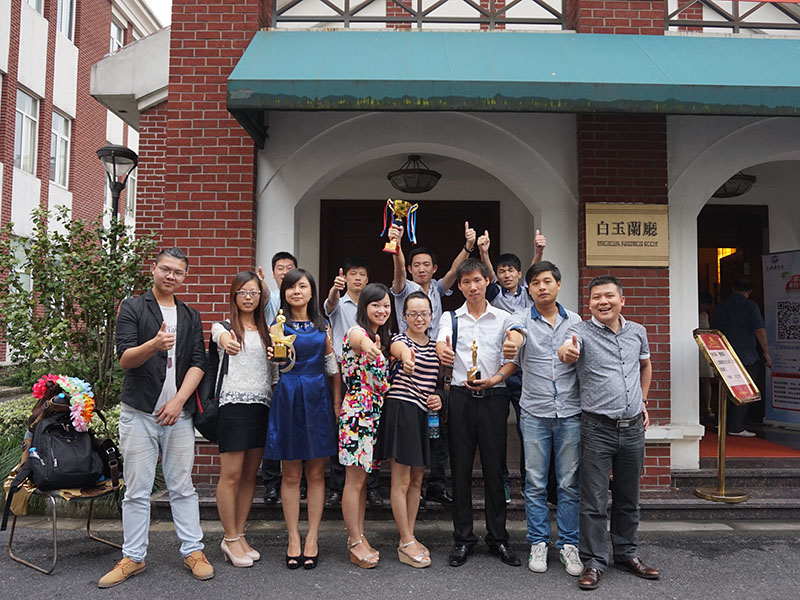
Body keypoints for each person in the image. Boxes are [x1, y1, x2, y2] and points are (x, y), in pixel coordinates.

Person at [99, 248, 213, 588]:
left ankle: (193, 551)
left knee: (182, 486)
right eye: (165, 269)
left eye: (178, 272)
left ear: (184, 277)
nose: (170, 276)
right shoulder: (133, 307)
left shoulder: (190, 315)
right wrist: (154, 345)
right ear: (154, 269)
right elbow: (125, 359)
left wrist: (178, 402)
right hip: (139, 414)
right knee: (136, 490)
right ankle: (133, 557)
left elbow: (198, 362)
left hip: (178, 416)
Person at [558, 275, 659, 591]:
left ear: (621, 300)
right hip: (597, 428)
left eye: (609, 296)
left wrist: (643, 401)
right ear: (589, 304)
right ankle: (594, 562)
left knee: (629, 497)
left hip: (633, 429)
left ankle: (627, 554)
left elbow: (646, 365)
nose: (603, 302)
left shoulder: (637, 332)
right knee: (594, 500)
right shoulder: (580, 331)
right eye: (596, 298)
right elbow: (566, 350)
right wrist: (567, 352)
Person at [436, 258, 521, 568]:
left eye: (477, 280)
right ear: (459, 286)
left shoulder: (504, 318)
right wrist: (442, 352)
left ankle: (498, 538)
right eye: (466, 282)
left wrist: (497, 378)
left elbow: (513, 359)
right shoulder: (450, 318)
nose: (472, 286)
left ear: (487, 281)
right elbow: (440, 344)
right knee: (459, 470)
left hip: (494, 398)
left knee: (494, 469)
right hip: (460, 398)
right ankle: (463, 539)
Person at [502, 261, 583, 577]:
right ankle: (538, 542)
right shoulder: (520, 317)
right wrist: (513, 343)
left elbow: (573, 348)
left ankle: (568, 544)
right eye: (535, 283)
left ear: (558, 285)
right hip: (534, 413)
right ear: (529, 288)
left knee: (568, 483)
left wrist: (569, 352)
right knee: (534, 482)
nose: (542, 287)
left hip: (570, 413)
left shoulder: (574, 321)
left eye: (547, 281)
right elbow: (516, 335)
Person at [388, 221, 474, 507]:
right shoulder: (404, 289)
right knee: (414, 427)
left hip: (438, 360)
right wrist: (397, 247)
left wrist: (468, 248)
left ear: (433, 268)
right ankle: (413, 488)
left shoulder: (437, 288)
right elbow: (398, 272)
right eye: (416, 265)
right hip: (412, 360)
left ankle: (435, 484)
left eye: (426, 264)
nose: (421, 269)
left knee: (438, 424)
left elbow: (454, 272)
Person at [263, 268, 340, 570]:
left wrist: (337, 401)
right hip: (288, 395)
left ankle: (313, 537)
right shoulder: (277, 325)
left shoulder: (324, 324)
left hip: (318, 396)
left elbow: (332, 366)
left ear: (311, 292)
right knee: (291, 474)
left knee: (317, 474)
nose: (297, 291)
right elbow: (274, 370)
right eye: (291, 287)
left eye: (302, 286)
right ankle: (293, 536)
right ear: (284, 293)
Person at [477, 229, 548, 504]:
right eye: (501, 271)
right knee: (496, 432)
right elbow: (487, 275)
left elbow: (535, 274)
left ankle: (528, 482)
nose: (506, 275)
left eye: (511, 271)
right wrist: (484, 252)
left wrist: (539, 252)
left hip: (522, 373)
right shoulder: (494, 292)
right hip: (496, 371)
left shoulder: (528, 294)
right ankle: (502, 483)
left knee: (526, 429)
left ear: (519, 274)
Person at [213, 271, 275, 567]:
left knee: (251, 476)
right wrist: (227, 340)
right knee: (232, 475)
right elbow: (220, 338)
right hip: (233, 406)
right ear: (234, 296)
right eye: (242, 292)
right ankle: (228, 537)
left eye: (253, 293)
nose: (248, 298)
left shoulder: (267, 331)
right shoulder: (224, 327)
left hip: (261, 405)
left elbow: (275, 371)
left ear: (261, 297)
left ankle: (238, 533)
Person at [376, 291, 443, 568]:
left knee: (417, 480)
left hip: (423, 415)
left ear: (431, 316)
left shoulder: (436, 346)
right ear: (404, 316)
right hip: (401, 410)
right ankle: (405, 541)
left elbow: (439, 382)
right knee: (400, 481)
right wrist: (407, 359)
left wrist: (439, 396)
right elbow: (399, 351)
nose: (419, 318)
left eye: (424, 314)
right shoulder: (399, 341)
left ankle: (410, 536)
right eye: (413, 314)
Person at [338, 283, 392, 568]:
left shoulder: (380, 336)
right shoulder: (357, 332)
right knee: (354, 481)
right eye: (375, 305)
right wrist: (370, 348)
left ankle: (358, 536)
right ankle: (355, 540)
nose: (382, 310)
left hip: (373, 414)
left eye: (386, 305)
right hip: (358, 414)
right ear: (364, 307)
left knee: (362, 482)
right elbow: (359, 340)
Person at [324, 257, 383, 508]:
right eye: (353, 274)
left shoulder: (374, 307)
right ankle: (338, 486)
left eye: (362, 274)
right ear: (345, 277)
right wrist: (334, 290)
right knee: (343, 431)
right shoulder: (339, 303)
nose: (357, 278)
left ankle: (373, 487)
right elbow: (329, 305)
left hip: (371, 378)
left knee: (372, 435)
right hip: (344, 374)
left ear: (368, 279)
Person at [258, 251, 298, 506]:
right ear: (273, 273)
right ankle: (271, 483)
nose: (284, 272)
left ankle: (298, 481)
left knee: (296, 426)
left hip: (297, 373)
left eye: (289, 267)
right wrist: (261, 284)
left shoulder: (301, 300)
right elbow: (261, 296)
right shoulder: (271, 299)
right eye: (280, 268)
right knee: (273, 429)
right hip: (272, 368)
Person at [711, 279, 772, 437]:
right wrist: (766, 353)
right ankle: (736, 426)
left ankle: (720, 422)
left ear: (733, 288)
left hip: (723, 354)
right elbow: (759, 330)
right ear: (750, 291)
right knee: (744, 389)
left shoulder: (720, 306)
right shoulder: (750, 306)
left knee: (724, 389)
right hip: (746, 354)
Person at [698, 291, 715, 422]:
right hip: (694, 348)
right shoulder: (691, 313)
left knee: (706, 379)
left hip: (703, 349)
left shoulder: (704, 315)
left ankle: (708, 406)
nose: (705, 307)